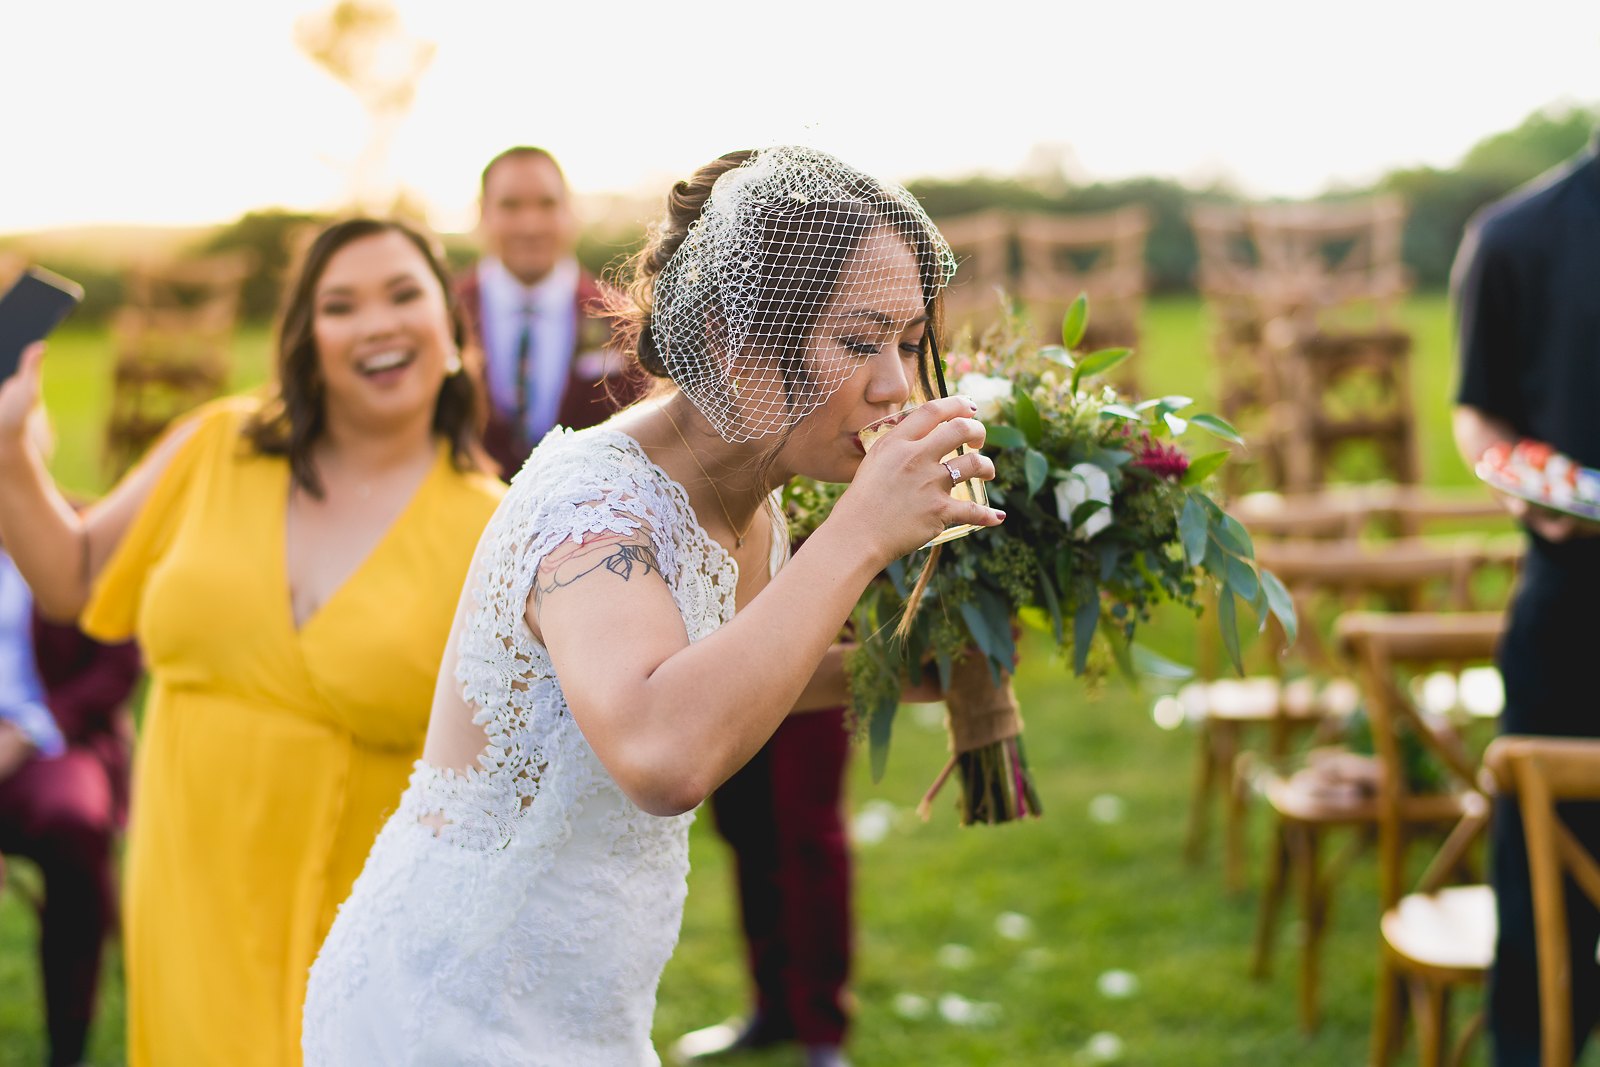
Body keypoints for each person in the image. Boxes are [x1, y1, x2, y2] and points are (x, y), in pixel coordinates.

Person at [301, 145, 1003, 1065]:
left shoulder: (748, 500)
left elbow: (734, 679)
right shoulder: (594, 508)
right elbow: (662, 750)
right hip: (450, 1000)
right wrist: (859, 534)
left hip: (585, 995)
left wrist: (908, 667)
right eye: (858, 340)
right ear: (727, 337)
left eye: (908, 342)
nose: (896, 386)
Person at [0, 218, 506, 1067]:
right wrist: (10, 442)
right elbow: (74, 580)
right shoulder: (216, 445)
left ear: (453, 332)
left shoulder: (498, 529)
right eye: (339, 304)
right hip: (191, 880)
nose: (375, 321)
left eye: (403, 294)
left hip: (370, 912)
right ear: (307, 341)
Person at [1451, 130, 1600, 1065]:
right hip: (1576, 606)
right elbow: (1482, 410)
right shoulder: (1518, 233)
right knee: (1547, 900)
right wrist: (1528, 484)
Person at [0, 411, 141, 1067]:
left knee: (76, 820)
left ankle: (69, 1042)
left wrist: (26, 732)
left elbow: (117, 665)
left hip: (53, 741)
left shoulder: (84, 531)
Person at [455, 145, 642, 477]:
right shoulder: (445, 312)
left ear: (570, 211)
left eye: (547, 204)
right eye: (511, 206)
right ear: (482, 213)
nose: (530, 225)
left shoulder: (623, 318)